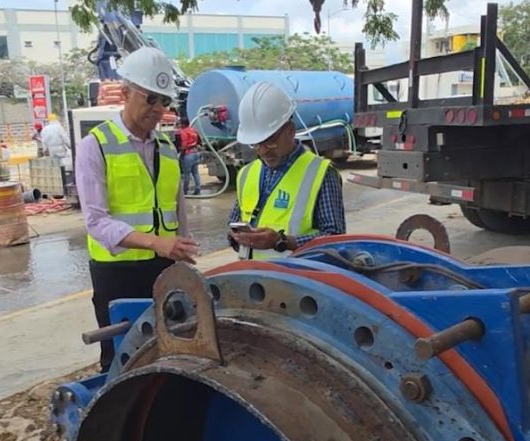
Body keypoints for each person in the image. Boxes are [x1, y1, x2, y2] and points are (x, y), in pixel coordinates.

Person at [75, 47, 199, 373]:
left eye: (164, 101)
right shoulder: (96, 145)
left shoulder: (168, 148)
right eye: (150, 99)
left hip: (163, 268)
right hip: (118, 274)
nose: (158, 109)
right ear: (127, 93)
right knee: (121, 360)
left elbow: (177, 207)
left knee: (167, 351)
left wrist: (182, 247)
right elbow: (96, 222)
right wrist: (157, 242)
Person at [227, 81, 346, 260]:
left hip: (299, 279)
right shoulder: (246, 173)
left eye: (270, 141)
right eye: (256, 143)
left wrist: (282, 241)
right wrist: (237, 237)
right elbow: (233, 222)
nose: (263, 150)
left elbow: (335, 238)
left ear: (290, 130)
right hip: (254, 279)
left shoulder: (320, 173)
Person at [176, 117, 202, 195]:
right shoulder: (193, 130)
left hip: (188, 154)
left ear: (183, 124)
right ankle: (198, 188)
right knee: (195, 172)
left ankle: (185, 191)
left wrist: (179, 150)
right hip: (196, 153)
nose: (179, 125)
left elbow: (184, 144)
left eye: (180, 124)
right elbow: (199, 141)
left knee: (186, 174)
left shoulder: (183, 132)